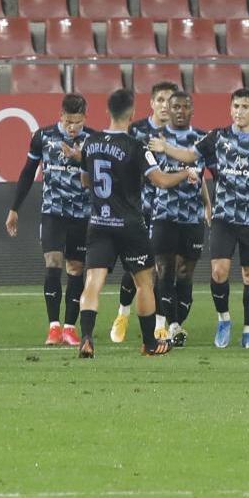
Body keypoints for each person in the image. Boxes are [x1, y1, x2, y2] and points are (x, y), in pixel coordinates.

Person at [151, 88, 249, 349]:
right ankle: (224, 319)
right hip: (224, 218)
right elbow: (190, 156)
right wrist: (167, 148)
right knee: (219, 272)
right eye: (236, 107)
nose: (239, 112)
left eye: (245, 107)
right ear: (230, 109)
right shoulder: (218, 137)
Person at [76, 89, 198, 358]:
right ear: (132, 115)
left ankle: (86, 337)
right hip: (130, 224)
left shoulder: (90, 143)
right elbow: (161, 181)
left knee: (93, 281)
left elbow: (86, 181)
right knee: (145, 283)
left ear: (107, 112)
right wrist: (185, 173)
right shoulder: (135, 147)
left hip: (98, 223)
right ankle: (150, 343)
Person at [4, 93, 94, 347]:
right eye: (68, 121)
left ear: (85, 118)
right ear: (61, 116)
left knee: (76, 268)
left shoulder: (93, 140)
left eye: (77, 121)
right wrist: (14, 208)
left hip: (82, 215)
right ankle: (53, 327)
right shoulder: (43, 137)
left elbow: (101, 177)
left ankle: (70, 328)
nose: (73, 126)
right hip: (53, 212)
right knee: (53, 262)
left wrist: (82, 158)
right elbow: (27, 172)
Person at [110, 81, 178, 344]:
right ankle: (123, 313)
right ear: (151, 103)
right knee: (136, 270)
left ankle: (160, 324)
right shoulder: (135, 131)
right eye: (160, 100)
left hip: (168, 212)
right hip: (137, 211)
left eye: (169, 101)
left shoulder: (179, 135)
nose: (165, 105)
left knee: (159, 269)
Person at [149, 90, 211, 347]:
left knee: (185, 273)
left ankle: (174, 324)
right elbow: (150, 175)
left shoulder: (202, 139)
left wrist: (208, 203)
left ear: (192, 110)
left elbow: (203, 175)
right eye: (175, 106)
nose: (180, 111)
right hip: (164, 214)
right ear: (168, 109)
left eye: (185, 107)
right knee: (164, 270)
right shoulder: (154, 139)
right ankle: (166, 326)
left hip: (192, 216)